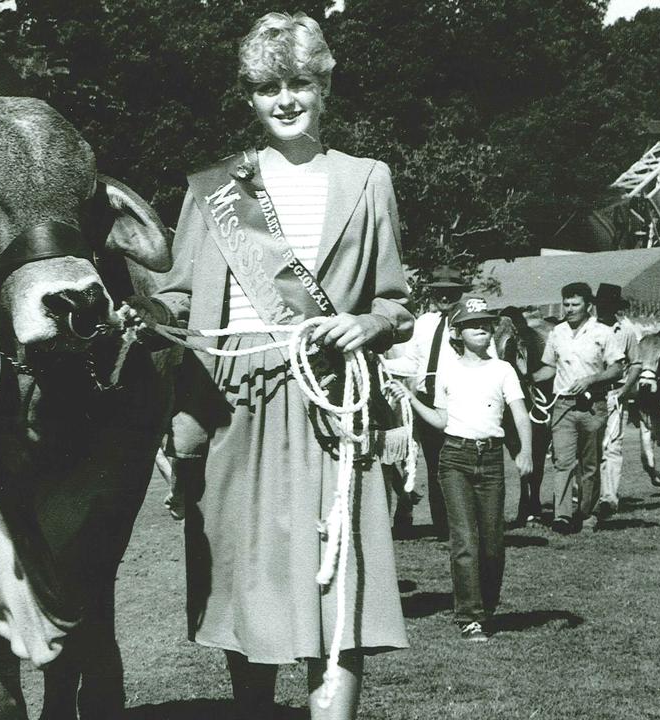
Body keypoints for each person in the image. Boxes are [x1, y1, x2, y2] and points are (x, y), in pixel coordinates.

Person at [131, 13, 410, 718]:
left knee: (336, 585)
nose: (284, 100)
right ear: (249, 97)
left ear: (323, 88)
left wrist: (364, 321)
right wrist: (143, 321)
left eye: (298, 84)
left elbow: (395, 301)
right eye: (267, 88)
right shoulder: (217, 191)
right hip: (235, 404)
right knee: (244, 586)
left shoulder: (367, 180)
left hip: (330, 408)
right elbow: (177, 296)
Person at [396, 297, 532, 641]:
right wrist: (411, 399)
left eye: (486, 324)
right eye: (474, 325)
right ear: (458, 333)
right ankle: (470, 617)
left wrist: (525, 451)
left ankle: (486, 607)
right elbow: (441, 421)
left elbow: (518, 413)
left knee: (492, 544)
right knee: (465, 540)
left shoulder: (503, 370)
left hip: (491, 459)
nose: (482, 330)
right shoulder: (448, 371)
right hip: (454, 457)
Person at [383, 265, 471, 539]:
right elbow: (413, 363)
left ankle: (465, 525)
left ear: (459, 292)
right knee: (435, 466)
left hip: (459, 400)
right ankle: (443, 527)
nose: (444, 298)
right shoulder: (423, 324)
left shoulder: (468, 321)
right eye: (439, 293)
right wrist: (381, 364)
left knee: (459, 464)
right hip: (426, 401)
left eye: (450, 293)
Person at [532, 283, 625, 533]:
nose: (569, 309)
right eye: (566, 304)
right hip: (562, 406)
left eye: (575, 305)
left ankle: (587, 514)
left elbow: (618, 368)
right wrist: (526, 377)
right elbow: (549, 368)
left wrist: (591, 379)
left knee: (590, 464)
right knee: (562, 461)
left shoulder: (603, 332)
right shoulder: (557, 333)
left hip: (593, 406)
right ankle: (561, 517)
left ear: (588, 306)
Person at [496, 306, 553, 525]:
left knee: (534, 450)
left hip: (531, 398)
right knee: (520, 450)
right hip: (509, 399)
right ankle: (528, 503)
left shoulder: (530, 340)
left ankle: (531, 502)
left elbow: (540, 372)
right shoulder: (502, 340)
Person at [596, 283, 641, 516]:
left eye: (609, 307)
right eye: (601, 306)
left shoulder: (625, 331)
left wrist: (625, 389)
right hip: (588, 395)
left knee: (612, 445)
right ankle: (584, 493)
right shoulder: (587, 330)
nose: (603, 311)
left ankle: (609, 498)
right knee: (586, 446)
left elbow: (636, 363)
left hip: (615, 394)